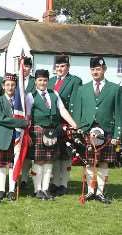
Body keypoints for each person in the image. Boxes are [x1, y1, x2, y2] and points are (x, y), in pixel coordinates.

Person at [73, 56, 121, 204]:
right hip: (87, 131)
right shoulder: (82, 89)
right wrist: (78, 130)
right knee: (88, 162)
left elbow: (119, 113)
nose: (95, 72)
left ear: (104, 70)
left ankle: (100, 192)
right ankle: (90, 191)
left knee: (103, 163)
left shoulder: (115, 89)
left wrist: (117, 134)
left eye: (98, 69)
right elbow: (77, 113)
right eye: (93, 69)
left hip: (106, 131)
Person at [27, 69, 77, 200]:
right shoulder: (30, 96)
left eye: (45, 80)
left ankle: (45, 189)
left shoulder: (54, 93)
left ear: (48, 81)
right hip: (38, 130)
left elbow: (62, 110)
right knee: (38, 161)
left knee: (49, 161)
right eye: (40, 80)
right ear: (35, 81)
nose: (42, 83)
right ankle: (37, 189)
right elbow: (27, 116)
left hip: (52, 131)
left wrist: (74, 124)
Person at [48, 55, 83, 196]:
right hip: (54, 124)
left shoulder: (74, 81)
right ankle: (56, 183)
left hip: (67, 122)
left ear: (68, 67)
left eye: (62, 66)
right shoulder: (50, 81)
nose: (59, 69)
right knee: (55, 155)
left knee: (66, 155)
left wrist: (74, 124)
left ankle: (64, 184)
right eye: (57, 67)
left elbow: (75, 103)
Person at [0, 73, 29, 201]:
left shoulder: (21, 103)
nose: (10, 87)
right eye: (7, 84)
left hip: (17, 137)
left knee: (13, 164)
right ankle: (2, 190)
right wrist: (22, 123)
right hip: (2, 137)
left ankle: (11, 190)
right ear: (3, 86)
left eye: (13, 85)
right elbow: (1, 119)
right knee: (1, 165)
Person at [20, 56, 35, 189]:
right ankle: (14, 178)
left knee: (28, 152)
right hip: (16, 120)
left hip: (31, 120)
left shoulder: (35, 82)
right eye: (22, 66)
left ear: (30, 68)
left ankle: (24, 178)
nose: (24, 68)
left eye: (27, 66)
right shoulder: (13, 80)